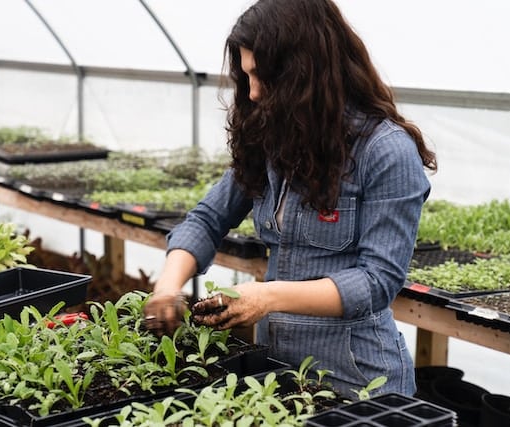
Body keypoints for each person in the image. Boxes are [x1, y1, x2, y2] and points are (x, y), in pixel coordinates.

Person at [143, 0, 436, 397]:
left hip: (358, 379)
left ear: (306, 71)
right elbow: (207, 219)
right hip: (278, 372)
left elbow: (376, 281)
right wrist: (167, 288)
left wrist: (266, 297)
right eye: (247, 76)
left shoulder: (385, 151)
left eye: (264, 76)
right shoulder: (276, 139)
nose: (254, 91)